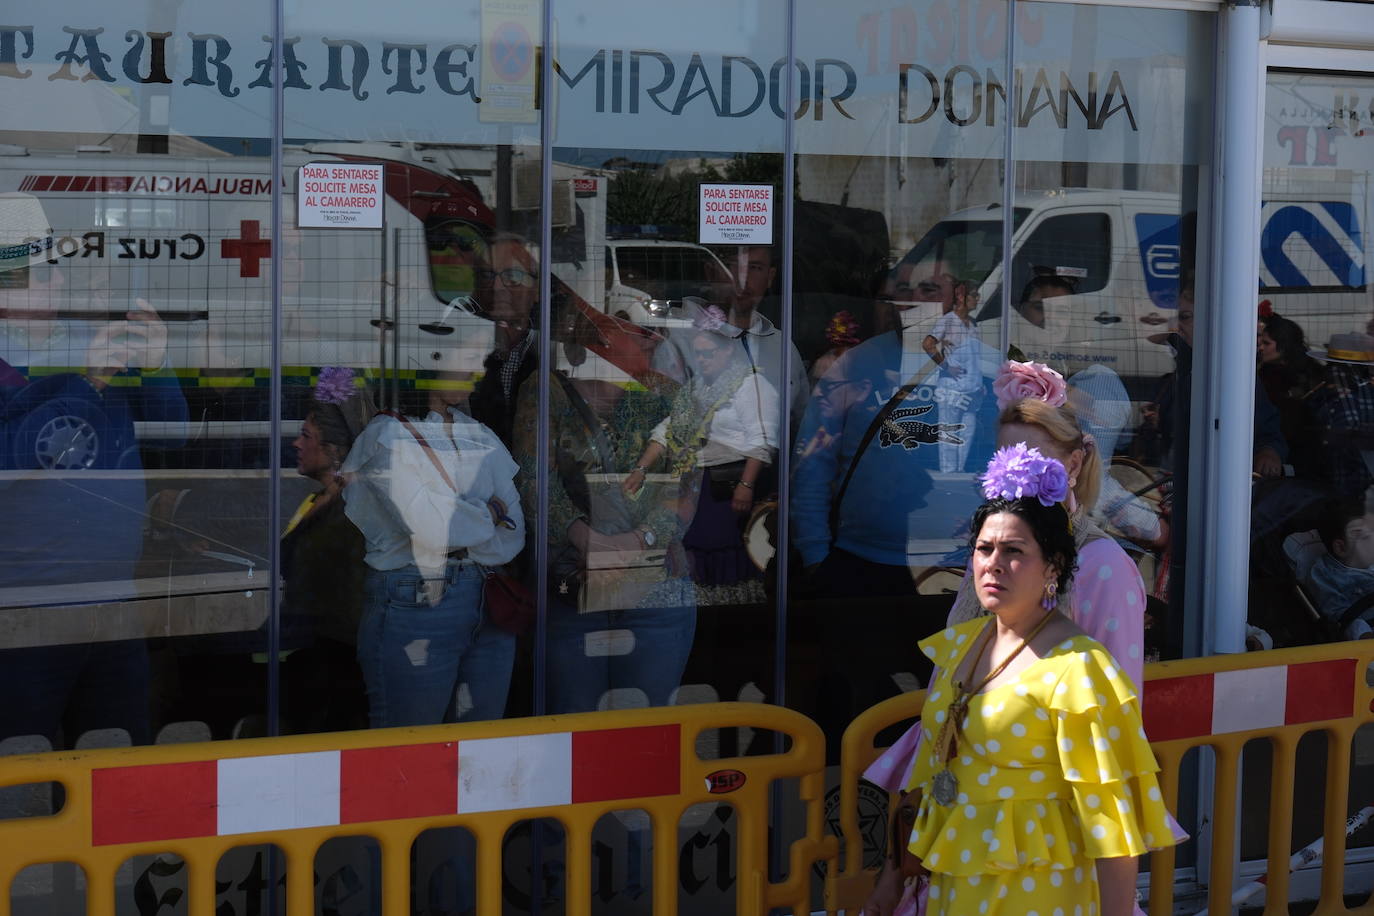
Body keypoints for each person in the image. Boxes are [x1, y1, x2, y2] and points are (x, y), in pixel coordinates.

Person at [863, 362, 1155, 916]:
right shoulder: (988, 579)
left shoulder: (1102, 571)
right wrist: (895, 872)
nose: (1017, 477)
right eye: (1004, 458)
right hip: (955, 871)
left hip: (1045, 876)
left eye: (1033, 460)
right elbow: (938, 739)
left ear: (1074, 463)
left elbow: (1112, 765)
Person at [339, 317, 525, 727]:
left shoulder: (480, 434)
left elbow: (515, 530)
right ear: (431, 359)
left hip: (484, 596)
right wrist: (488, 515)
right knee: (411, 744)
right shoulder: (386, 436)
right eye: (469, 357)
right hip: (416, 597)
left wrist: (464, 520)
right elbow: (432, 528)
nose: (478, 371)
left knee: (482, 743)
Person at [513, 300, 696, 713]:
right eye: (643, 331)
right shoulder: (546, 390)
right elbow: (533, 480)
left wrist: (639, 540)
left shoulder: (669, 394)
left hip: (655, 591)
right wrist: (589, 542)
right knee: (576, 728)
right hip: (574, 590)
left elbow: (687, 484)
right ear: (603, 337)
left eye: (658, 331)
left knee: (645, 731)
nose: (656, 339)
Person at [625, 305, 780, 604]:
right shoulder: (698, 388)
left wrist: (746, 485)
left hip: (729, 487)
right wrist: (641, 468)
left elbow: (763, 439)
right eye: (698, 354)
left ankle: (729, 612)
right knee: (693, 548)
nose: (703, 360)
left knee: (723, 552)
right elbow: (670, 428)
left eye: (709, 353)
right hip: (697, 485)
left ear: (728, 351)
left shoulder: (752, 386)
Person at [278, 366, 373, 733]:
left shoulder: (348, 515)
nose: (296, 444)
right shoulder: (318, 501)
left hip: (333, 668)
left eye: (306, 436)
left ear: (334, 450)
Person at [469, 233, 539, 448]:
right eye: (487, 275)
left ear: (537, 289)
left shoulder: (552, 350)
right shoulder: (458, 345)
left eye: (513, 276)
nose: (497, 286)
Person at [922, 280, 982, 472]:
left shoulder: (973, 324)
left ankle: (959, 471)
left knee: (967, 431)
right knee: (949, 430)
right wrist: (946, 366)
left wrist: (980, 381)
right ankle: (948, 472)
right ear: (960, 296)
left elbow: (975, 358)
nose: (977, 299)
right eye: (974, 295)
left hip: (972, 389)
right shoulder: (947, 320)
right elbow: (928, 344)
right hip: (952, 388)